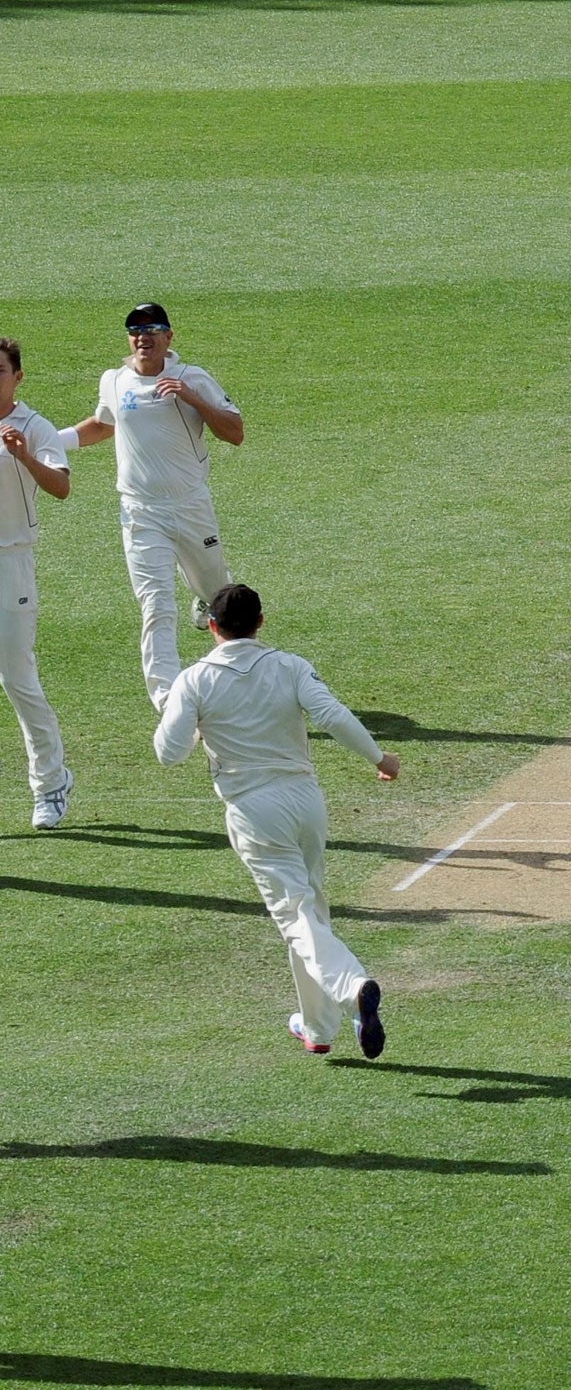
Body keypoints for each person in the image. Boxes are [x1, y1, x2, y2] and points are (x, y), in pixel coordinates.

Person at [154, 583, 398, 1056]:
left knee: (296, 916)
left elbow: (169, 754)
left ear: (211, 626)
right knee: (311, 912)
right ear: (261, 622)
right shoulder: (289, 665)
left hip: (253, 809)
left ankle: (353, 989)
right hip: (306, 801)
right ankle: (318, 1028)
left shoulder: (194, 680)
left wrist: (183, 717)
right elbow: (332, 714)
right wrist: (379, 757)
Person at [62, 302, 244, 710]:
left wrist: (193, 398)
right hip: (141, 513)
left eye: (153, 329)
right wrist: (48, 441)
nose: (144, 337)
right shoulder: (114, 380)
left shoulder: (190, 377)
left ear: (169, 337)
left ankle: (207, 602)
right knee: (157, 605)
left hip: (191, 506)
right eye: (135, 330)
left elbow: (235, 433)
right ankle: (168, 702)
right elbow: (103, 425)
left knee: (221, 598)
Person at [0, 339, 75, 830]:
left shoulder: (34, 427)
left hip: (11, 563)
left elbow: (61, 488)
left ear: (17, 376)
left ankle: (50, 784)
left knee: (17, 679)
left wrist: (25, 458)